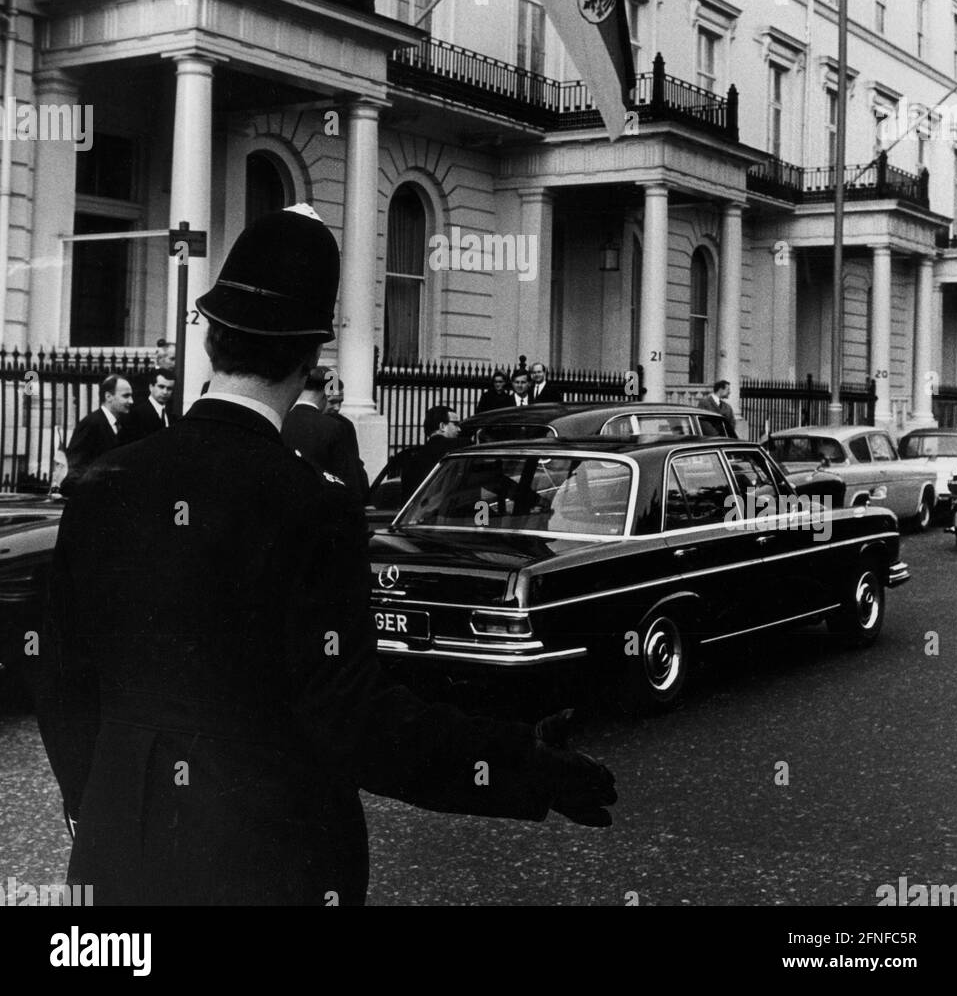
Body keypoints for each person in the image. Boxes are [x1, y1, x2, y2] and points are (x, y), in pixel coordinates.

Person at [36, 206, 615, 907]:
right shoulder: (313, 506)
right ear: (312, 356)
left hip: (120, 855)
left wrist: (93, 802)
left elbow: (61, 678)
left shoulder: (102, 485)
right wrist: (523, 763)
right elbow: (351, 718)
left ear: (213, 339)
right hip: (266, 858)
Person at [281, 366, 367, 504]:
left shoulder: (280, 421)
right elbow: (354, 484)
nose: (338, 408)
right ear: (323, 395)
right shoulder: (337, 426)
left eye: (341, 402)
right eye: (332, 401)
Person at [60, 375, 133, 498]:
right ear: (108, 396)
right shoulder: (92, 423)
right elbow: (76, 466)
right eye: (126, 396)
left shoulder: (120, 424)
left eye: (131, 396)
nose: (131, 401)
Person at [400, 404, 462, 502]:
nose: (459, 429)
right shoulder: (457, 449)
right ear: (442, 426)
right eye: (455, 424)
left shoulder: (411, 456)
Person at [124, 368, 176, 442]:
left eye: (169, 388)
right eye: (161, 387)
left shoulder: (171, 415)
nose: (165, 392)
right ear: (151, 387)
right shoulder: (137, 413)